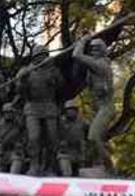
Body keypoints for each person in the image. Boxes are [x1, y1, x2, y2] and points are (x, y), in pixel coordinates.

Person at [16, 46, 64, 176]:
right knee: (33, 137)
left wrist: (54, 80)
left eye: (44, 55)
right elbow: (20, 92)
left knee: (52, 137)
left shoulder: (53, 70)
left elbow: (61, 89)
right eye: (39, 56)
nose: (42, 58)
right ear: (34, 57)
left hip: (49, 105)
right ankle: (34, 165)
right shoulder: (26, 71)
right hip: (32, 106)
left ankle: (50, 166)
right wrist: (22, 80)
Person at [72, 34, 114, 171]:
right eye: (91, 49)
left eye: (97, 49)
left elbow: (76, 55)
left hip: (106, 107)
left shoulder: (100, 65)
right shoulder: (93, 67)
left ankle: (109, 166)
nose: (93, 51)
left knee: (93, 136)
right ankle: (98, 164)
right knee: (93, 139)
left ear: (103, 50)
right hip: (96, 107)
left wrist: (82, 41)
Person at [57, 101, 88, 177]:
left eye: (72, 109)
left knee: (82, 173)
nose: (70, 112)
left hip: (79, 152)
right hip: (65, 152)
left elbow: (90, 135)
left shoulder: (84, 122)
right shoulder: (61, 123)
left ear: (76, 111)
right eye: (68, 110)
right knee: (66, 173)